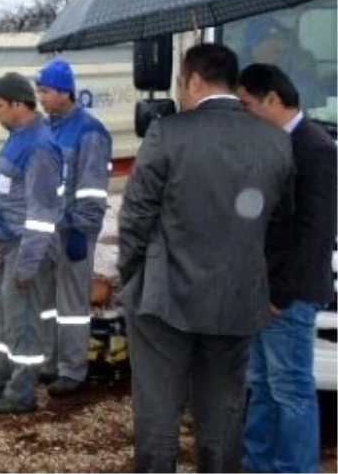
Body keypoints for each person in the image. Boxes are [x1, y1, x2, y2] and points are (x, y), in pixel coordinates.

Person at [118, 44, 294, 472]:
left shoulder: (168, 133)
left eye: (181, 81)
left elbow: (135, 217)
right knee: (222, 423)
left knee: (159, 422)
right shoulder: (275, 139)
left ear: (194, 80)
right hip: (236, 300)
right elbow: (281, 224)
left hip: (164, 301)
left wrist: (131, 275)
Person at [237, 63, 336, 474]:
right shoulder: (273, 144)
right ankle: (258, 463)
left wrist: (282, 293)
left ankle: (294, 468)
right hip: (264, 289)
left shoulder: (315, 149)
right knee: (260, 385)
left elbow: (317, 232)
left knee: (290, 388)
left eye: (246, 104)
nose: (242, 112)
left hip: (288, 296)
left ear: (272, 99)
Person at [0, 72, 62, 414]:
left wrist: (29, 263)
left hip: (25, 247)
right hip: (8, 247)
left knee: (23, 322)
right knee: (1, 314)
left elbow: (42, 213)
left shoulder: (40, 147)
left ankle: (21, 393)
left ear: (20, 105)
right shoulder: (19, 137)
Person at [34, 59, 112, 396]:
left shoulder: (89, 131)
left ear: (64, 92)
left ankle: (72, 370)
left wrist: (82, 229)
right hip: (47, 231)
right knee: (48, 302)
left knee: (71, 306)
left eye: (46, 91)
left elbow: (93, 188)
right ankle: (49, 363)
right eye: (39, 91)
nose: (41, 97)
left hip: (72, 231)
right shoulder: (46, 128)